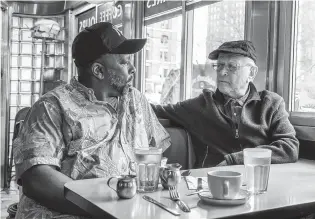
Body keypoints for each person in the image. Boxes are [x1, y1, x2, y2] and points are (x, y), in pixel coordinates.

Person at [13, 22, 171, 219]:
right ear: (98, 71)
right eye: (124, 62)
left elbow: (158, 156)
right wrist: (105, 210)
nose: (133, 68)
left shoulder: (136, 100)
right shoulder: (52, 106)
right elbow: (37, 179)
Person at [152, 40, 299, 167]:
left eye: (232, 66)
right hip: (210, 181)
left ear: (251, 73)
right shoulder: (202, 104)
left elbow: (289, 147)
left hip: (256, 180)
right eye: (220, 65)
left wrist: (235, 160)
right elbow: (155, 110)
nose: (222, 72)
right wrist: (130, 93)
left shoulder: (271, 104)